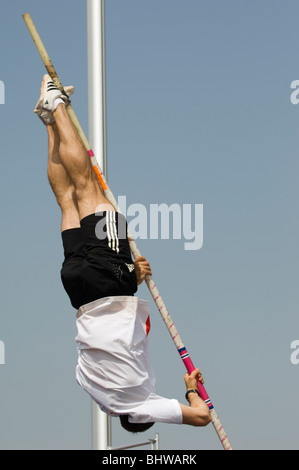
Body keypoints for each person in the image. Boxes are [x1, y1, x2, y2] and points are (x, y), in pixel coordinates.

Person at [34, 74, 212, 432]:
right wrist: (130, 278)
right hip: (80, 294)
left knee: (89, 190)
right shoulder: (100, 395)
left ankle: (55, 103)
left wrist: (192, 391)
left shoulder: (143, 403)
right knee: (67, 204)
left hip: (107, 285)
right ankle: (48, 121)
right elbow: (108, 342)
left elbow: (202, 418)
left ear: (144, 419)